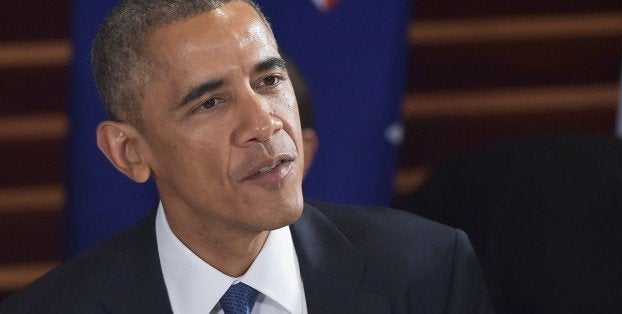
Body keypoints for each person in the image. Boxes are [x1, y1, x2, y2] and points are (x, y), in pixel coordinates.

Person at [1, 1, 493, 313]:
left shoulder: (429, 271)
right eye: (209, 102)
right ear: (129, 152)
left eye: (269, 81)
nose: (266, 124)